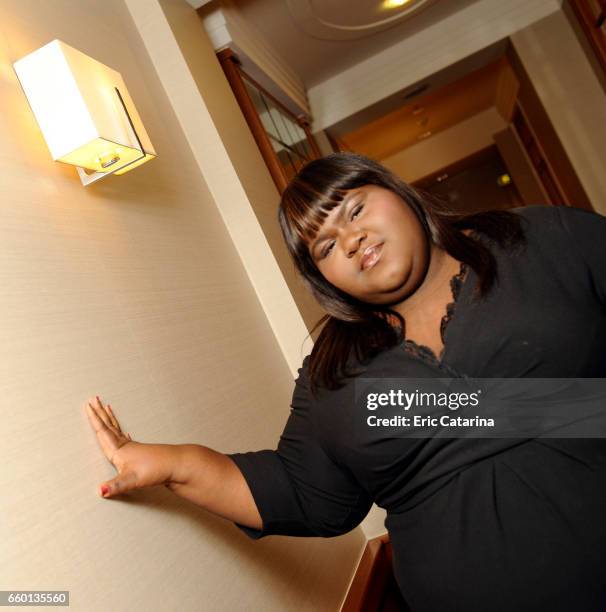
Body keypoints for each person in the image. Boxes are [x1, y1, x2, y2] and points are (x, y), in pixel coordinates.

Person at [85, 153, 606, 612]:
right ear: (322, 279)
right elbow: (299, 491)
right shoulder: (331, 373)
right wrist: (171, 462)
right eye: (326, 247)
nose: (352, 240)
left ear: (396, 190)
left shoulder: (540, 240)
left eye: (355, 210)